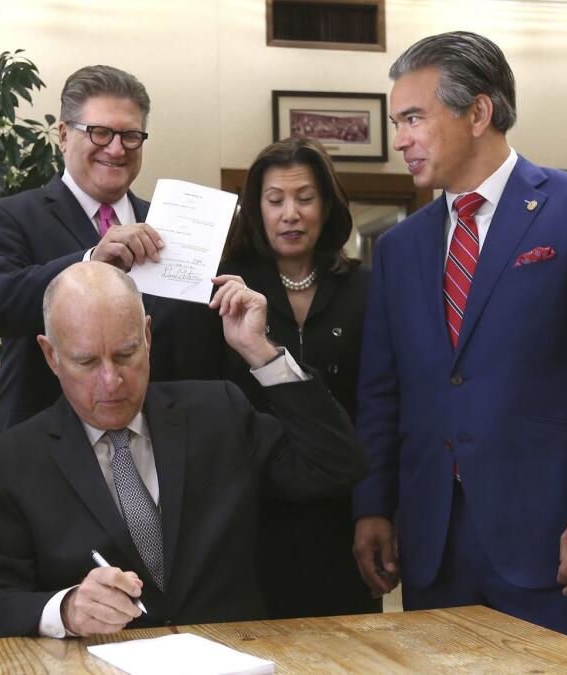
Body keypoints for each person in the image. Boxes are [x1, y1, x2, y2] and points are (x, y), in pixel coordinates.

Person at [351, 31, 567, 653]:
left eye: (413, 118)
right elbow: (383, 391)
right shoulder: (400, 248)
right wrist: (373, 507)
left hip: (557, 538)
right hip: (433, 542)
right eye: (395, 122)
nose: (400, 139)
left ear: (478, 112)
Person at [0, 262, 367, 638]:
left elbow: (335, 466)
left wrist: (261, 353)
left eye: (126, 354)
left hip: (232, 657)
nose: (111, 381)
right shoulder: (9, 464)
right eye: (86, 361)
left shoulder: (218, 413)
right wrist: (65, 609)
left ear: (148, 337)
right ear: (51, 356)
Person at [0, 64, 212, 434]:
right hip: (49, 447)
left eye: (130, 135)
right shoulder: (10, 216)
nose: (116, 149)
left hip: (164, 444)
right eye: (100, 133)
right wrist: (90, 261)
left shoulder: (169, 228)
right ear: (64, 135)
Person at [216, 137, 378, 618]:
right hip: (249, 511)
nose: (291, 213)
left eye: (305, 199)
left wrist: (378, 507)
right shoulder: (225, 287)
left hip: (343, 509)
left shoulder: (365, 287)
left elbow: (380, 404)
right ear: (255, 210)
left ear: (327, 206)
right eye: (275, 200)